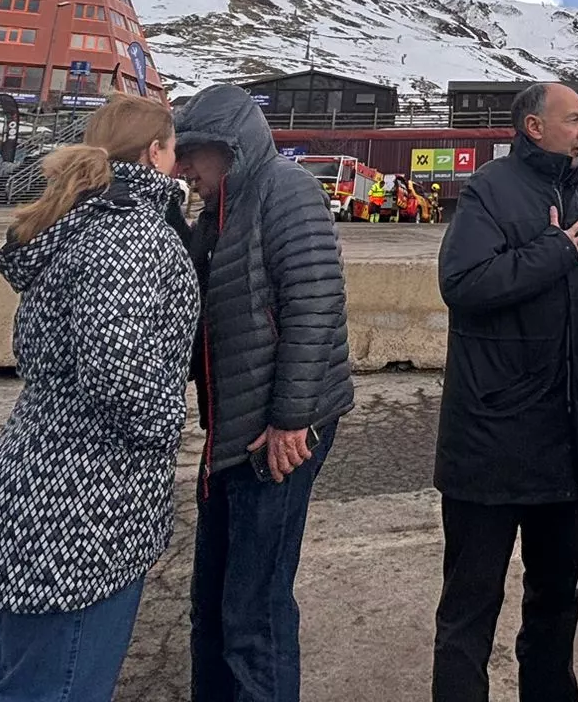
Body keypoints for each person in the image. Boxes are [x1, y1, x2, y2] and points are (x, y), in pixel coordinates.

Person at [0, 95, 200, 702]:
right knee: (60, 688)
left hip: (33, 481)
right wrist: (170, 423)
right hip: (84, 506)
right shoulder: (130, 234)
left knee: (24, 678)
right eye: (174, 149)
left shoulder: (75, 223)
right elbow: (119, 372)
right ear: (155, 152)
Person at [175, 83, 355, 702]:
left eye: (192, 154)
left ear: (228, 147)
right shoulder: (220, 210)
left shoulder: (286, 189)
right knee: (216, 600)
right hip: (234, 428)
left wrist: (290, 419)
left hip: (277, 430)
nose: (185, 170)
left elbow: (315, 305)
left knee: (255, 608)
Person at [432, 82, 578, 701]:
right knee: (470, 608)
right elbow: (462, 281)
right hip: (491, 441)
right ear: (534, 127)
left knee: (556, 600)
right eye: (576, 120)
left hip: (564, 442)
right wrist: (552, 252)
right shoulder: (489, 188)